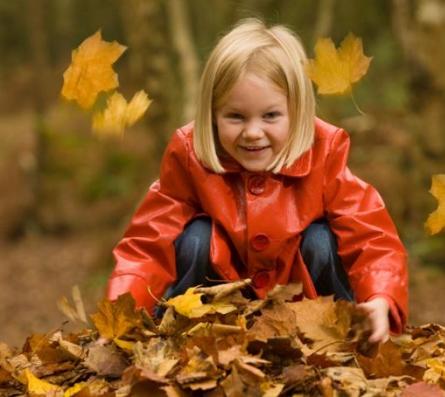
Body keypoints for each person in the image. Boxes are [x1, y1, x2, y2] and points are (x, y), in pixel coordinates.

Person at [106, 18, 408, 342]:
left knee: (322, 240)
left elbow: (370, 234)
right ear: (212, 114)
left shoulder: (324, 151)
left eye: (270, 115)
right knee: (195, 237)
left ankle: (346, 332)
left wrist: (380, 298)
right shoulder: (190, 154)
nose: (252, 132)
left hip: (305, 309)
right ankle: (176, 333)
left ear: (297, 111)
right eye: (235, 116)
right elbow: (148, 242)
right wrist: (121, 316)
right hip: (216, 314)